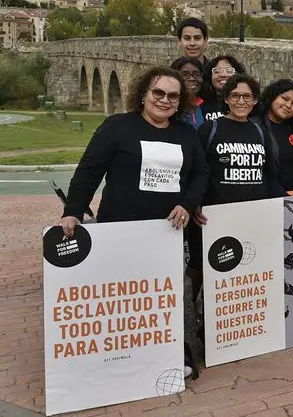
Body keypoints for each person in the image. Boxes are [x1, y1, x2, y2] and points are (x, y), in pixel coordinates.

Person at [58, 66, 208, 381]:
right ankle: (116, 359)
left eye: (173, 96)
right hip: (120, 230)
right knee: (122, 297)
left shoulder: (186, 134)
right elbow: (89, 170)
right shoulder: (118, 127)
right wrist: (73, 209)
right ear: (143, 94)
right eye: (158, 93)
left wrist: (187, 202)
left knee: (167, 298)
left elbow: (200, 174)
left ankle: (174, 356)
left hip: (166, 233)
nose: (165, 100)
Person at [197, 74, 280, 206]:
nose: (241, 101)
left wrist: (292, 202)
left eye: (247, 96)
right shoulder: (209, 129)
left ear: (255, 100)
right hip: (217, 212)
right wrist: (195, 205)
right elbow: (197, 173)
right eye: (235, 96)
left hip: (256, 211)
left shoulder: (261, 132)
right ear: (226, 99)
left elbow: (270, 177)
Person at [256, 79, 293, 193]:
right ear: (272, 96)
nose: (288, 105)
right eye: (284, 98)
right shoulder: (256, 126)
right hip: (267, 197)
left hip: (292, 197)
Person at [199, 55, 246, 122]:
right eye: (217, 71)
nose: (223, 75)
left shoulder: (246, 102)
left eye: (229, 71)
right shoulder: (201, 104)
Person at [171, 56, 205, 129]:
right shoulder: (168, 105)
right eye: (185, 74)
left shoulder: (206, 105)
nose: (192, 78)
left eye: (196, 74)